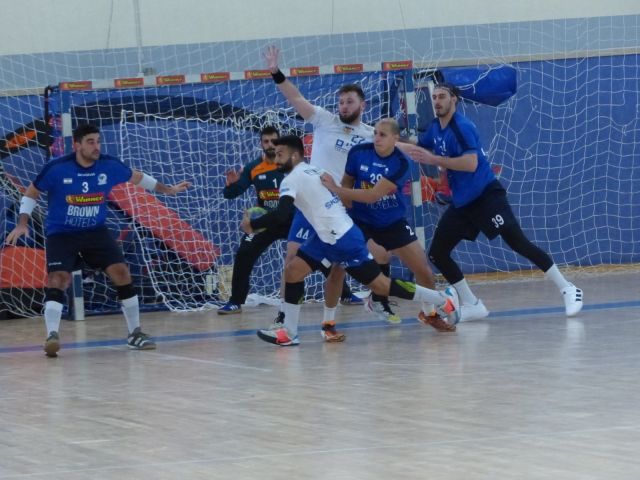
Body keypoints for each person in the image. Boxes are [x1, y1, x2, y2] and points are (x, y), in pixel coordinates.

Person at [245, 135, 459, 346]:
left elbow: (282, 215)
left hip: (344, 240)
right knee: (293, 271)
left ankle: (442, 298)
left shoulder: (291, 180)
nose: (276, 159)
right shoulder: (315, 170)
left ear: (294, 156)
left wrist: (253, 225)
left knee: (382, 286)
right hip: (325, 237)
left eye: (280, 154)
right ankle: (290, 332)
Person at [397, 83, 583, 319]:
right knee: (437, 253)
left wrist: (435, 160)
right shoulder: (435, 127)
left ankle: (568, 288)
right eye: (434, 97)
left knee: (518, 243)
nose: (437, 101)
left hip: (486, 196)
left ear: (454, 99)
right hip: (463, 203)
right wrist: (390, 141)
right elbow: (418, 149)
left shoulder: (462, 127)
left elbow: (471, 163)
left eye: (442, 96)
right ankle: (472, 304)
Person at [5, 123, 191, 357]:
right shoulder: (57, 168)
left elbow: (138, 177)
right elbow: (32, 192)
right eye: (90, 142)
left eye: (98, 141)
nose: (96, 147)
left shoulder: (108, 165)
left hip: (95, 231)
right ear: (77, 145)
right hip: (62, 233)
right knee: (58, 278)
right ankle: (52, 336)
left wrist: (168, 190)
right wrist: (22, 223)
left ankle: (135, 333)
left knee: (121, 272)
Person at [265, 45, 395, 338]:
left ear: (362, 105)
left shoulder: (370, 136)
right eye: (341, 102)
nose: (344, 106)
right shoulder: (325, 120)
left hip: (342, 208)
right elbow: (296, 98)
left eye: (349, 102)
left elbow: (396, 149)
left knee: (348, 264)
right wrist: (276, 73)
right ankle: (284, 317)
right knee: (292, 258)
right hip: (311, 202)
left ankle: (335, 320)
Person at [320, 118, 455, 332]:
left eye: (382, 135)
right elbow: (347, 180)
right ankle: (331, 321)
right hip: (360, 220)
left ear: (395, 138)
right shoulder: (359, 152)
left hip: (391, 222)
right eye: (375, 133)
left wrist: (336, 190)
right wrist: (345, 207)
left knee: (424, 271)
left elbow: (373, 195)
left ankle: (429, 314)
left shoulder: (401, 162)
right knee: (343, 267)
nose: (377, 138)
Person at [217, 126, 293, 315]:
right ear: (261, 144)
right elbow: (231, 194)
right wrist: (231, 185)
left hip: (290, 219)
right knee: (244, 253)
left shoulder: (290, 164)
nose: (270, 145)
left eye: (274, 141)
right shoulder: (253, 167)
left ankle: (345, 293)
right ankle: (235, 302)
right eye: (266, 141)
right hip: (265, 222)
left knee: (318, 248)